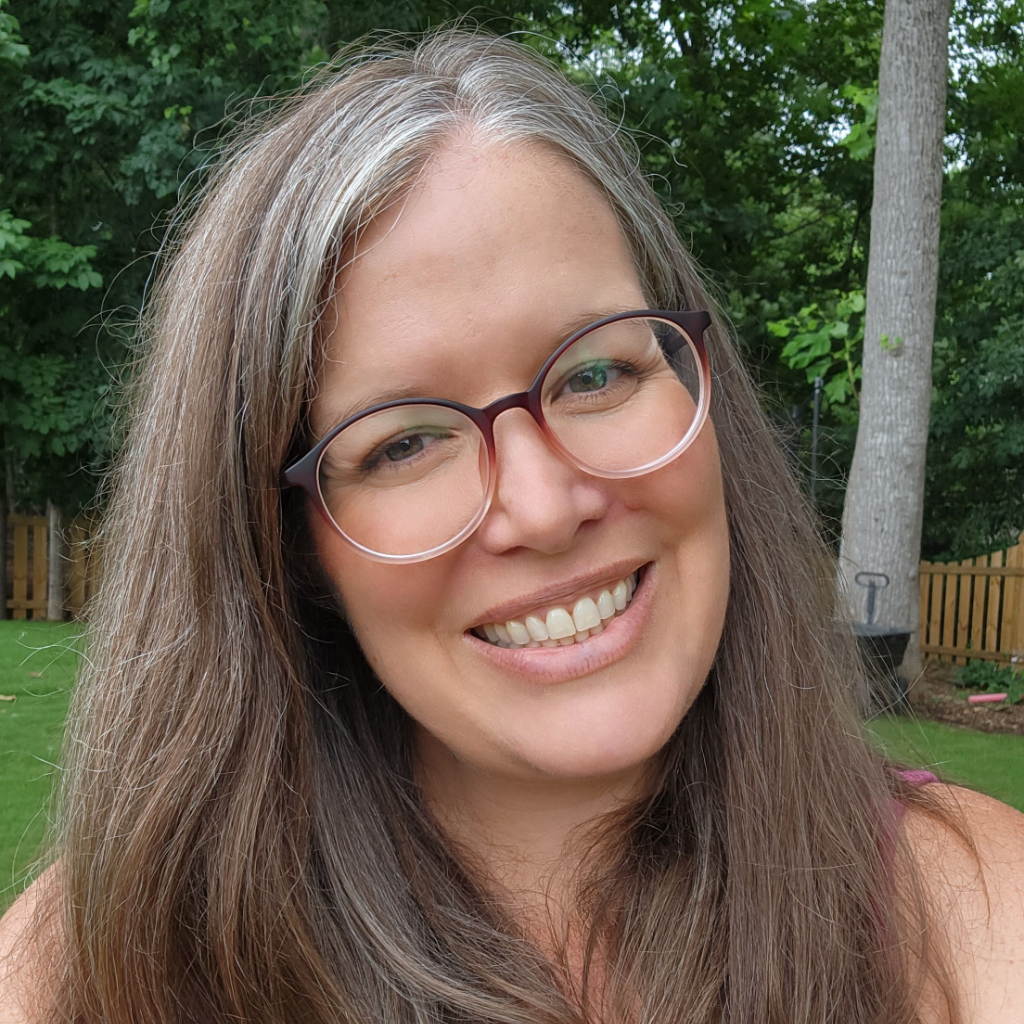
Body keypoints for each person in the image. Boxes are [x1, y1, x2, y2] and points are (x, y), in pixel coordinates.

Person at [2, 26, 1023, 1024]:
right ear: (287, 548)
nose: (543, 506)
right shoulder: (90, 972)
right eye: (403, 442)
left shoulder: (973, 915)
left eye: (595, 372)